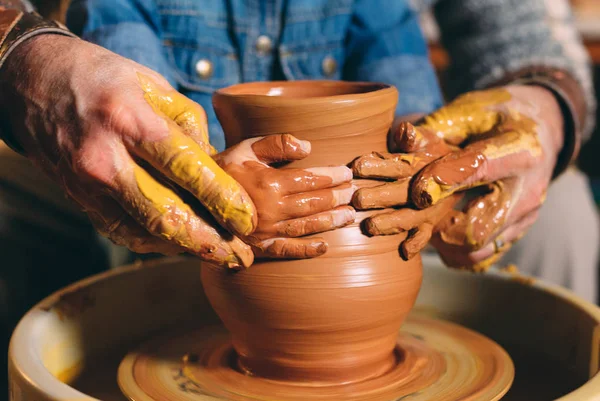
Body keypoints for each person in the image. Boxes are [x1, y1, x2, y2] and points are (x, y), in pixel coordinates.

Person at [0, 0, 597, 348]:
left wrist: (426, 168)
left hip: (363, 201)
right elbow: (142, 114)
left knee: (561, 214)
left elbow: (407, 107)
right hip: (175, 173)